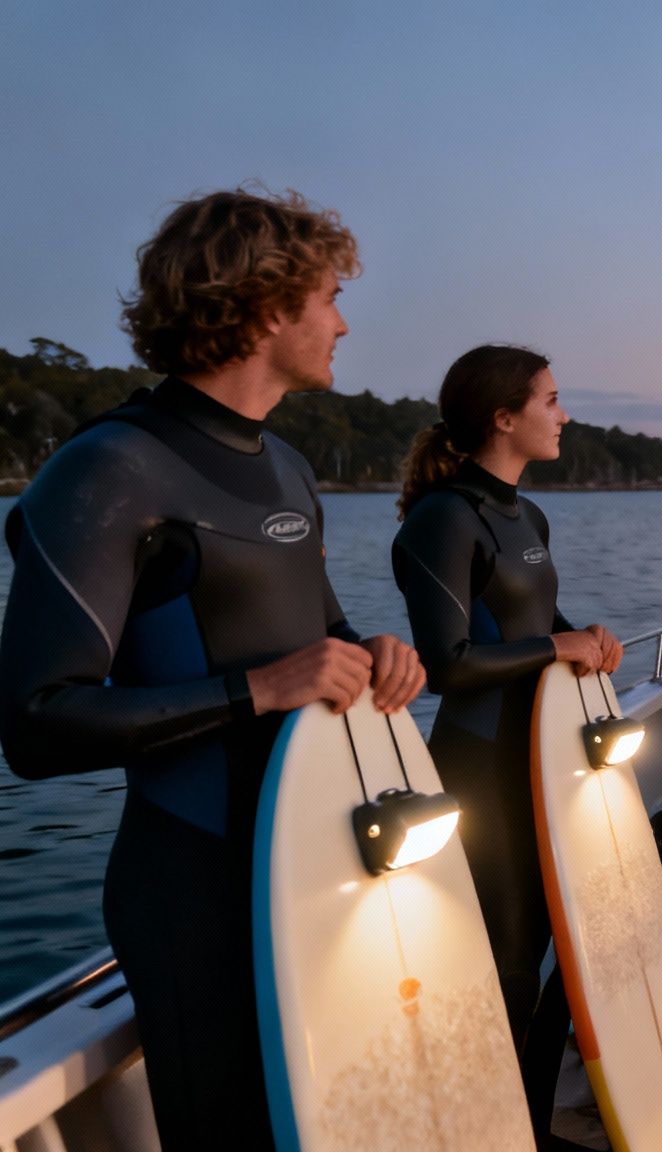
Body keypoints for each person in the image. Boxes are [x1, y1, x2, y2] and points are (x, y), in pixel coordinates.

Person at [0, 188, 425, 1149]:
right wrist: (260, 690)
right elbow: (35, 721)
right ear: (268, 305)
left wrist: (379, 657)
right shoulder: (109, 469)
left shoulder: (286, 467)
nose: (344, 321)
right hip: (195, 891)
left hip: (322, 869)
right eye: (331, 296)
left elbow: (324, 640)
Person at [391, 344, 621, 1141]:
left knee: (559, 955)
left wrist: (578, 633)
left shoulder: (528, 513)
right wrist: (555, 650)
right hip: (483, 769)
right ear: (504, 417)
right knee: (507, 964)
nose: (563, 414)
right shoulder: (443, 519)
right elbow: (448, 664)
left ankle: (527, 1126)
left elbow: (530, 623)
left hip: (545, 763)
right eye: (551, 400)